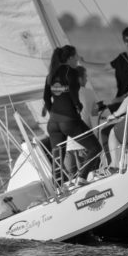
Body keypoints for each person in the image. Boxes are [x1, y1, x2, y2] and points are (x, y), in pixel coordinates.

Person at [43, 46, 102, 186]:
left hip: (53, 123)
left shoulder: (50, 75)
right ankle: (81, 178)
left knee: (57, 159)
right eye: (76, 57)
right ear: (70, 58)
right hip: (69, 119)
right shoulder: (72, 72)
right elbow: (74, 94)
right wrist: (78, 107)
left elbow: (46, 99)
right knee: (95, 148)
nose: (77, 60)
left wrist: (54, 114)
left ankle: (57, 189)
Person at [64, 66, 99, 176]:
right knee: (86, 177)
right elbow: (95, 116)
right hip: (83, 144)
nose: (86, 80)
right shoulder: (89, 93)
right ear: (79, 78)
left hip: (68, 145)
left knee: (72, 178)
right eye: (85, 77)